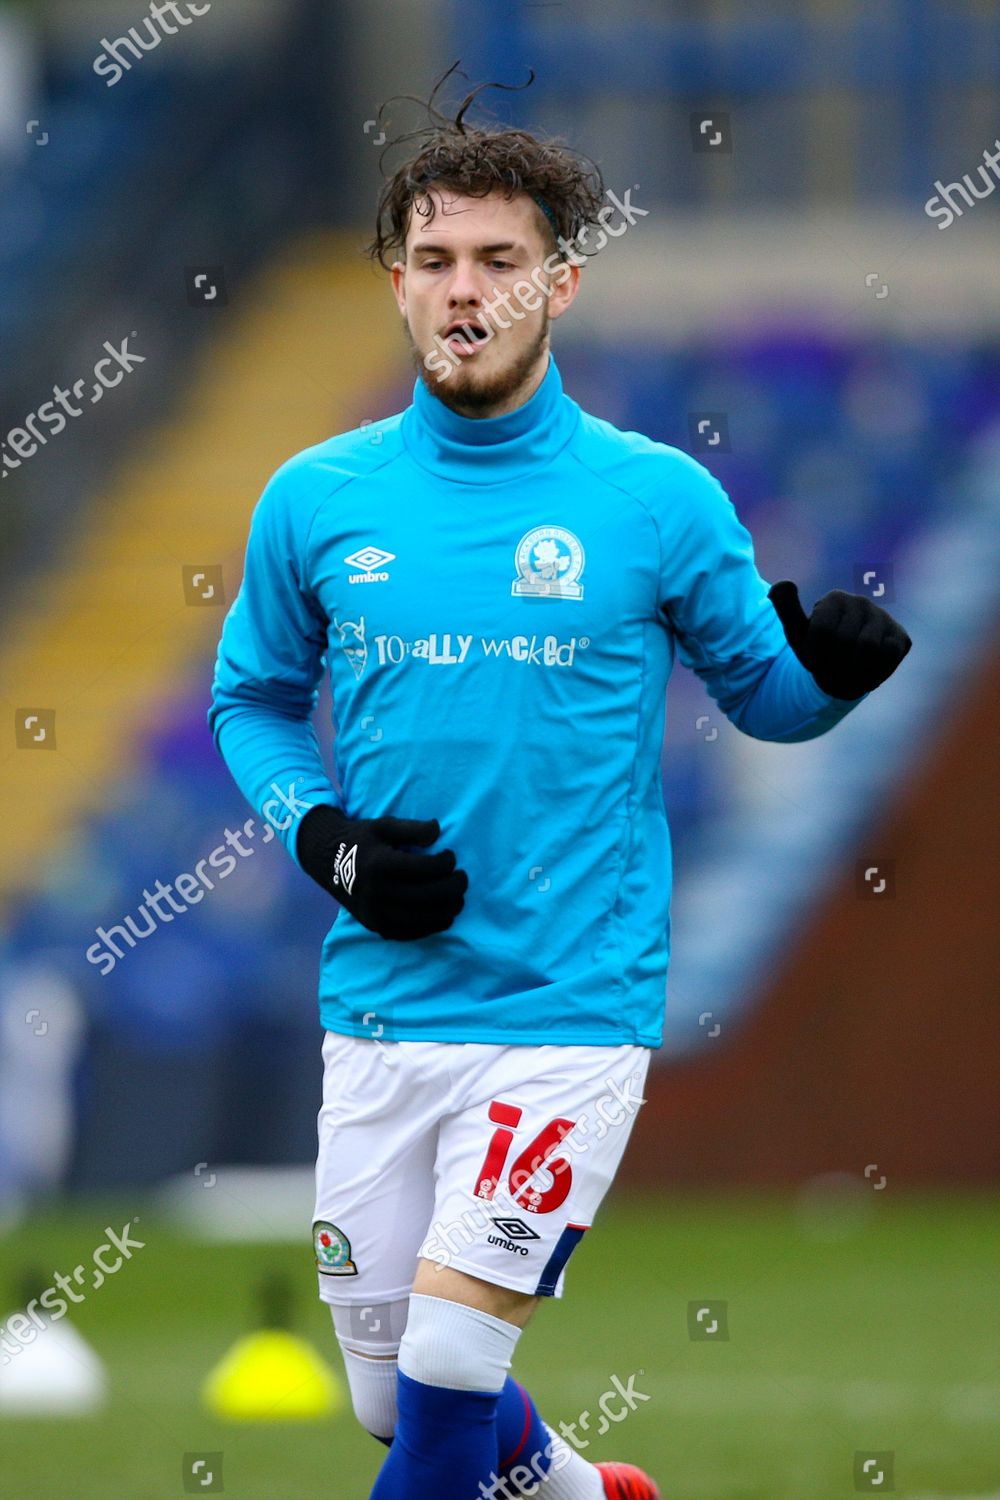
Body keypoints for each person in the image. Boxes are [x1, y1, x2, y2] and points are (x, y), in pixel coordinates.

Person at [207, 73, 910, 1500]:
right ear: (396, 282)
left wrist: (831, 672)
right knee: (386, 1401)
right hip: (382, 1010)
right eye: (437, 261)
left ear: (561, 283)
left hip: (567, 1009)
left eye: (501, 263)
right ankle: (588, 1495)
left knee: (454, 1372)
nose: (465, 292)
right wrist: (326, 841)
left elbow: (766, 701)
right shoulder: (316, 498)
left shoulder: (656, 500)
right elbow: (256, 704)